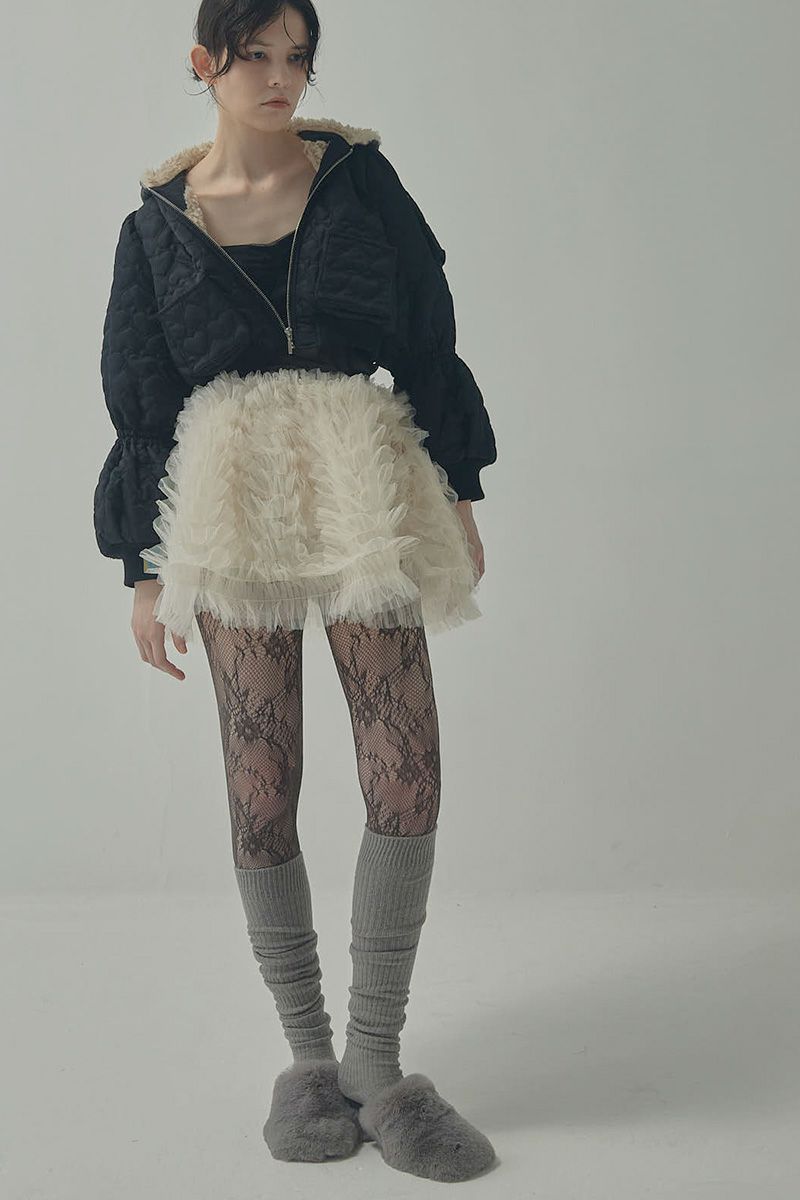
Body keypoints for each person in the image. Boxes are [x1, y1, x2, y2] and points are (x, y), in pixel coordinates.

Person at [93, 0, 498, 1183]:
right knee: (260, 783)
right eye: (256, 55)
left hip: (362, 482)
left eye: (297, 56)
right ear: (204, 64)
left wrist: (459, 487)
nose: (281, 77)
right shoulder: (155, 226)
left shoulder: (361, 181)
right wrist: (141, 570)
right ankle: (309, 1059)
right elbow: (139, 399)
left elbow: (427, 330)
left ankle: (377, 1062)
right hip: (229, 500)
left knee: (404, 767)